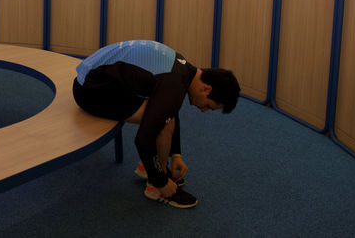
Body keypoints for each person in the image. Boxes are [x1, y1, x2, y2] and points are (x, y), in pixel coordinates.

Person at [72, 40, 240, 208]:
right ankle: (155, 188)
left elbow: (170, 109)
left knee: (164, 115)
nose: (203, 110)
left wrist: (176, 155)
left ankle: (149, 168)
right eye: (208, 106)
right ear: (206, 89)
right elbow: (143, 140)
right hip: (89, 90)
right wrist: (161, 182)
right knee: (165, 123)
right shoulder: (173, 84)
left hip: (97, 77)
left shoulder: (183, 68)